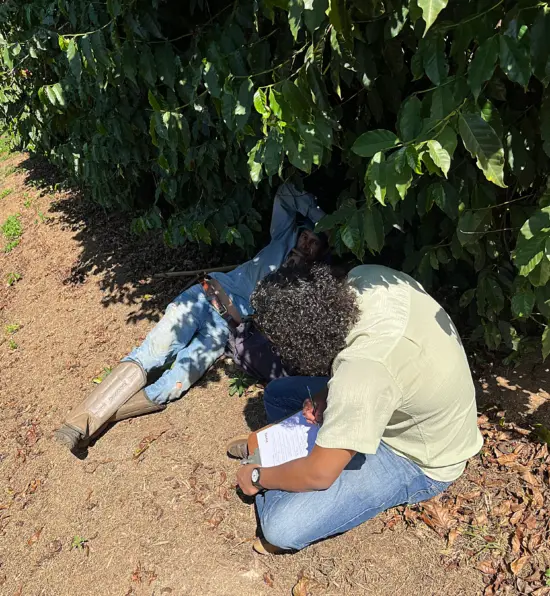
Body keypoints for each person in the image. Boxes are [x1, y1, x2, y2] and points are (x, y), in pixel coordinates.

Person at [55, 184, 328, 453]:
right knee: (153, 353)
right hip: (204, 298)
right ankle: (78, 424)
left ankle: (92, 424)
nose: (305, 244)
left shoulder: (307, 284)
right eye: (306, 237)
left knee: (173, 385)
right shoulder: (283, 237)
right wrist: (323, 223)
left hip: (224, 330)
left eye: (313, 244)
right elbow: (286, 192)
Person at [231, 263, 483, 553]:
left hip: (418, 457)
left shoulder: (362, 375)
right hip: (399, 395)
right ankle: (289, 449)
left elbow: (318, 475)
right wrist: (327, 393)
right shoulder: (368, 278)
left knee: (281, 527)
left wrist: (257, 477)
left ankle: (270, 458)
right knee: (277, 395)